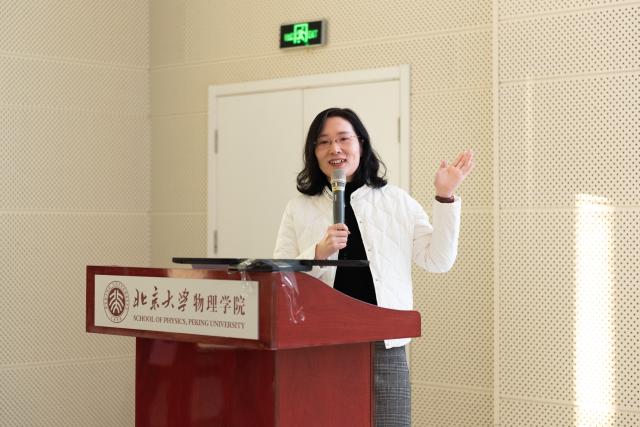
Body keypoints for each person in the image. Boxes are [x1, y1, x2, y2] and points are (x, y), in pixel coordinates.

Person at [273, 107, 474, 427]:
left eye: (343, 139)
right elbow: (281, 277)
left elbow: (438, 260)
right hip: (320, 343)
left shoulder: (396, 201)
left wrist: (445, 196)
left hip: (383, 343)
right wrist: (319, 252)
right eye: (323, 142)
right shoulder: (299, 208)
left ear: (361, 144)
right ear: (314, 152)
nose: (334, 149)